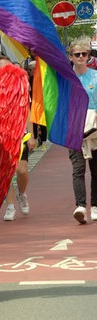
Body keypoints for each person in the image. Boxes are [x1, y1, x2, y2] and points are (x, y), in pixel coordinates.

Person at [0, 58, 36, 221]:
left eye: (8, 67)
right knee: (5, 173)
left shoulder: (20, 87)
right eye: (1, 68)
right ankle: (10, 205)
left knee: (21, 170)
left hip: (20, 134)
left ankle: (22, 194)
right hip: (0, 136)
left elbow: (27, 112)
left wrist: (31, 135)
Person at [68, 38, 97, 224]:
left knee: (96, 169)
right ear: (70, 57)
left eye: (84, 54)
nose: (80, 57)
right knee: (78, 168)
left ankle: (95, 206)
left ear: (88, 56)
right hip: (74, 128)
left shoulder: (95, 76)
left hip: (94, 128)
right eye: (77, 54)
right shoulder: (65, 78)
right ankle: (80, 206)